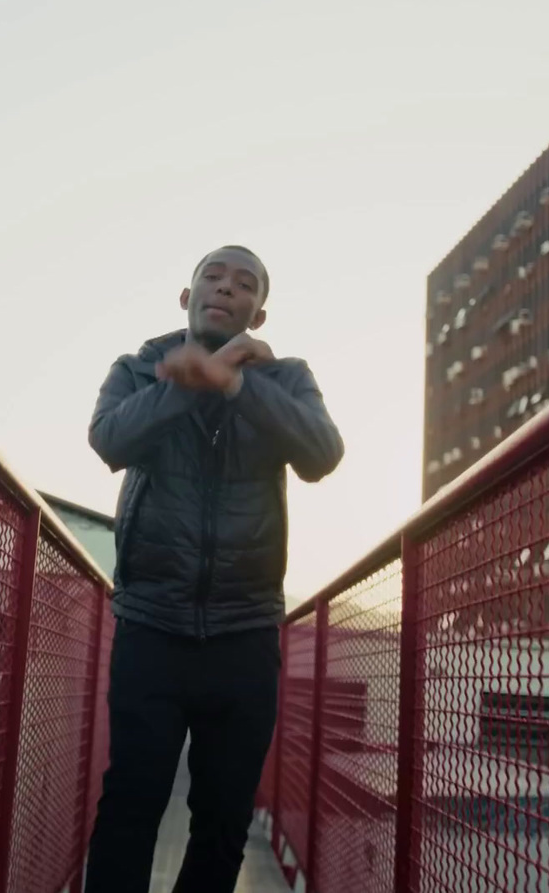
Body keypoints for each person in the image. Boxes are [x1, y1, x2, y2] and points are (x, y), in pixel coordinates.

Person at [83, 245, 344, 892]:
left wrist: (238, 384)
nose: (227, 288)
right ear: (187, 296)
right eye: (214, 277)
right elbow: (110, 440)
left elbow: (321, 454)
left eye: (244, 284)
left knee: (224, 819)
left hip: (244, 633)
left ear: (258, 312)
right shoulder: (140, 369)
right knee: (132, 802)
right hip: (151, 626)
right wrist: (188, 379)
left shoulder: (285, 378)